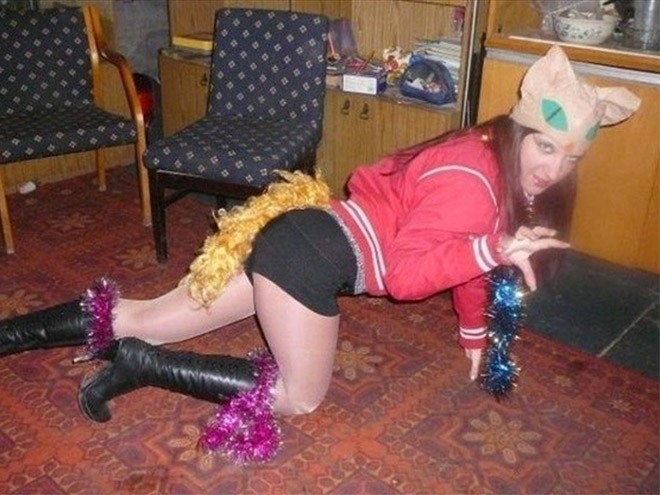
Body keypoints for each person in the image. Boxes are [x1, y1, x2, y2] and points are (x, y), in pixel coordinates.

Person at [0, 46, 640, 463]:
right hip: (305, 261)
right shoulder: (474, 182)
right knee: (300, 396)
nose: (553, 169)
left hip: (297, 233)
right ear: (520, 131)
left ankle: (10, 336)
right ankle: (142, 364)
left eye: (569, 158)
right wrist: (491, 247)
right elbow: (408, 275)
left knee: (144, 314)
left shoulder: (483, 151)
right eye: (545, 147)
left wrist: (475, 330)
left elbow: (468, 255)